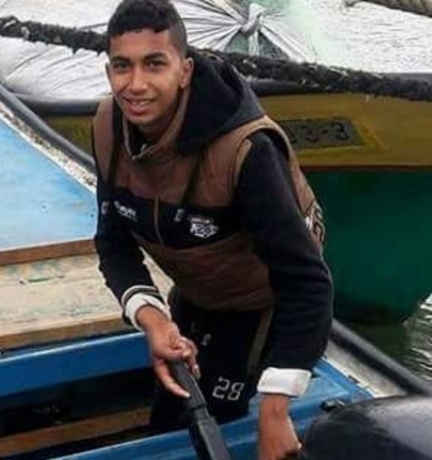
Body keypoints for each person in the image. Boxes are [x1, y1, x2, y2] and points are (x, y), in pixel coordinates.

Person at [91, 0, 333, 459]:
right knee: (168, 422)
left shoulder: (247, 151)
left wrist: (275, 410)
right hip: (197, 292)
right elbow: (113, 242)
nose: (136, 84)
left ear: (185, 70)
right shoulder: (107, 126)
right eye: (123, 66)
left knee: (220, 429)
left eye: (154, 64)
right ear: (108, 71)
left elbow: (308, 283)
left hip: (261, 306)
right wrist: (153, 318)